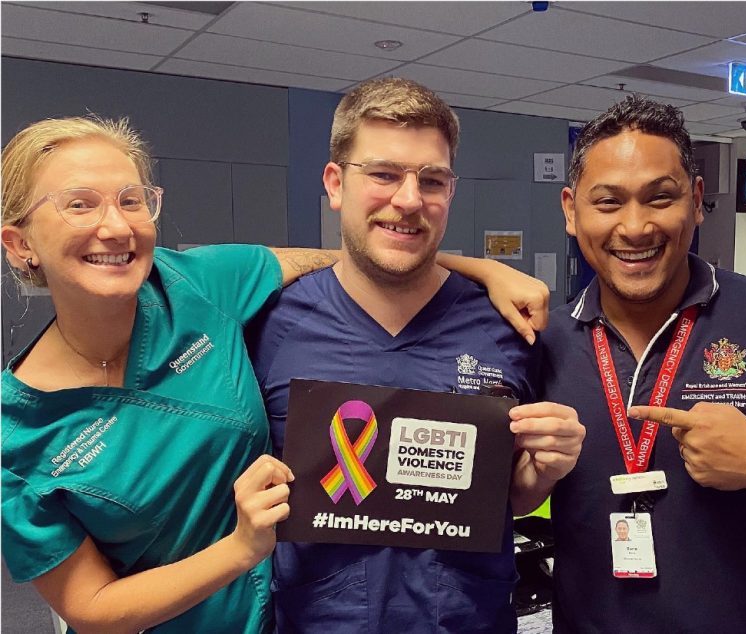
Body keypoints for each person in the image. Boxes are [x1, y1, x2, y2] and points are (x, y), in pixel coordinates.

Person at [0, 115, 550, 633]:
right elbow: (90, 607)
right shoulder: (16, 437)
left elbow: (352, 255)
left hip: (289, 614)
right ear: (20, 243)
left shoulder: (199, 283)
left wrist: (482, 269)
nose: (115, 226)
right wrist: (240, 549)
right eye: (79, 205)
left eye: (131, 200)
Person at [248, 77, 585, 633]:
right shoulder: (270, 326)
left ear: (450, 192)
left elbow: (513, 500)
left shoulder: (507, 328)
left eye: (431, 179)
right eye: (382, 174)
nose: (408, 199)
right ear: (336, 183)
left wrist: (544, 471)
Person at [542, 95, 746, 633]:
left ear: (694, 199)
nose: (636, 227)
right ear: (572, 211)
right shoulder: (540, 341)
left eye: (660, 198)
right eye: (609, 202)